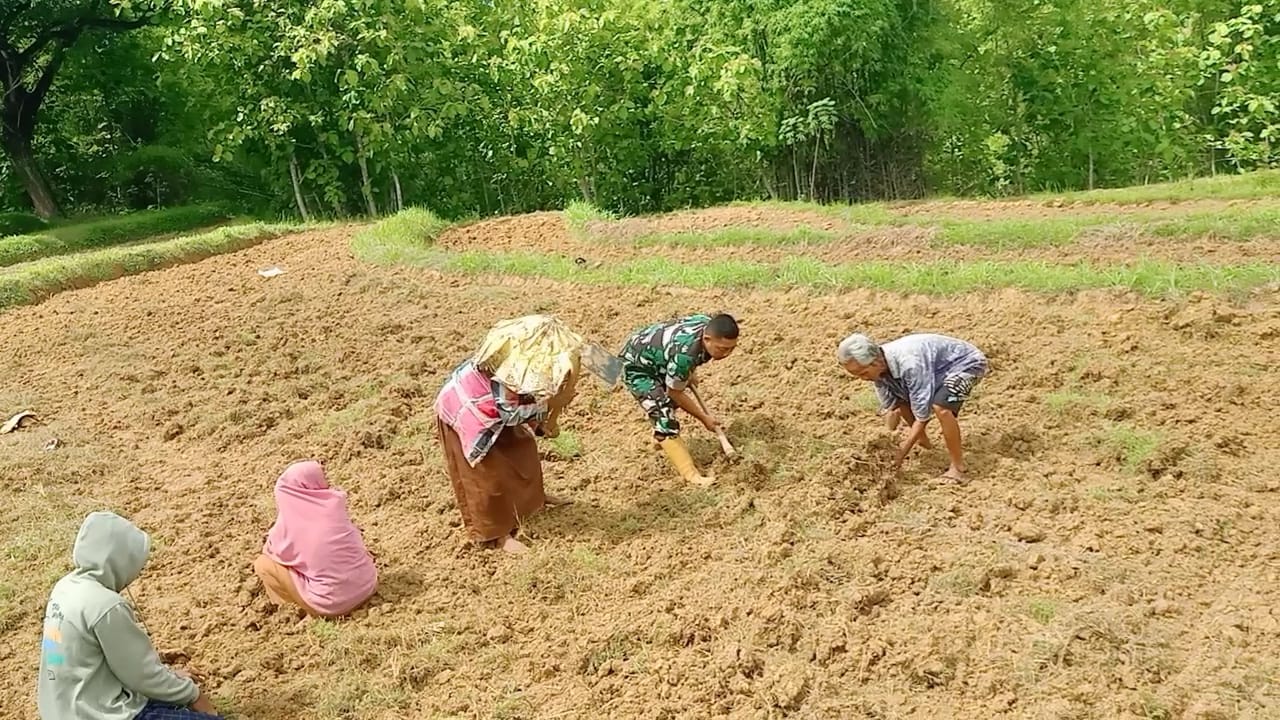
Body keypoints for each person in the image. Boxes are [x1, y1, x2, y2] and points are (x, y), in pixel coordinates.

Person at [38, 511, 222, 720]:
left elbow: (60, 656)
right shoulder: (106, 606)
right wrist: (193, 695)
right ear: (121, 559)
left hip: (63, 710)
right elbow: (141, 675)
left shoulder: (64, 589)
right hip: (103, 714)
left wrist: (170, 679)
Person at [435, 316, 583, 554]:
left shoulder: (525, 371)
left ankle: (533, 500)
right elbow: (510, 414)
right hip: (471, 415)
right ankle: (496, 535)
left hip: (497, 411)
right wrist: (548, 407)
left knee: (522, 451)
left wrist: (542, 422)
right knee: (487, 479)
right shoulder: (507, 372)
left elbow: (526, 399)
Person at [837, 332, 988, 482]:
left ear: (876, 362)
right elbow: (892, 409)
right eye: (857, 375)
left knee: (941, 408)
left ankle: (958, 468)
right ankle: (924, 443)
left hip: (966, 364)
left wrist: (900, 455)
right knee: (901, 400)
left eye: (863, 373)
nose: (863, 379)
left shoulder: (910, 363)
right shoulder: (879, 370)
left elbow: (922, 416)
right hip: (936, 370)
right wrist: (885, 444)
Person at [619, 313, 739, 485]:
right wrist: (704, 418)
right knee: (663, 413)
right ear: (707, 338)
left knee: (673, 395)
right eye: (722, 349)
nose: (727, 353)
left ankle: (662, 441)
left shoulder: (705, 323)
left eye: (732, 348)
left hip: (658, 355)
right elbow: (675, 392)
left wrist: (689, 372)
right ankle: (691, 475)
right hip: (637, 366)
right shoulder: (684, 355)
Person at [252, 460, 378, 617]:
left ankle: (289, 609)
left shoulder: (290, 527)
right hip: (368, 586)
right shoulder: (334, 508)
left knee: (264, 564)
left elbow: (274, 553)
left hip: (333, 605)